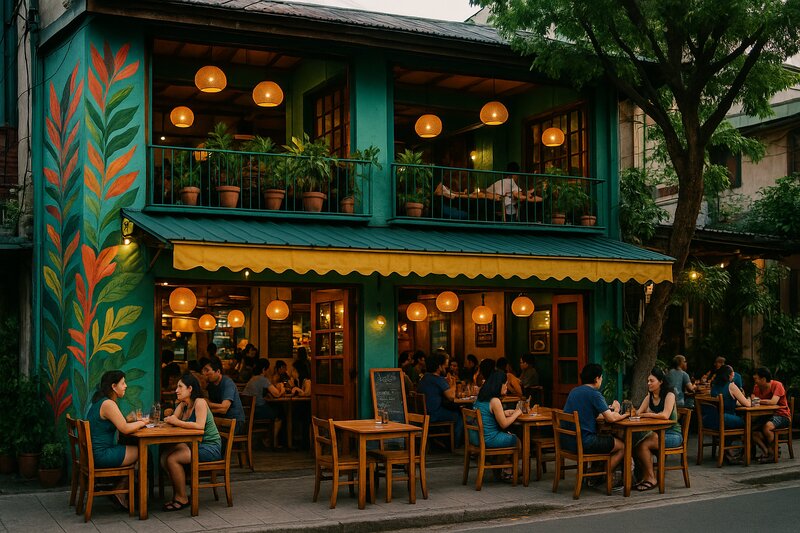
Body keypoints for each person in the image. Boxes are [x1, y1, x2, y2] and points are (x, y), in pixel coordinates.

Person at [86, 370, 148, 510]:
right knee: (143, 452)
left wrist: (133, 420)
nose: (125, 386)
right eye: (123, 383)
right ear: (114, 386)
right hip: (101, 455)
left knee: (134, 448)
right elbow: (125, 428)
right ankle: (125, 492)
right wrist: (144, 422)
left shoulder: (101, 402)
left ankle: (120, 489)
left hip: (94, 453)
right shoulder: (108, 404)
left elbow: (121, 422)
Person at [161, 373, 222, 512]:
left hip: (209, 447)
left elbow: (199, 426)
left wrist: (176, 421)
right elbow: (173, 420)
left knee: (172, 459)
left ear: (190, 389)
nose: (176, 390)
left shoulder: (200, 402)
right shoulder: (183, 405)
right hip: (193, 445)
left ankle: (182, 498)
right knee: (165, 456)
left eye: (180, 387)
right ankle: (179, 494)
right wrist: (169, 419)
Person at [562, 364, 628, 483]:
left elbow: (591, 413)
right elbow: (611, 419)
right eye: (601, 377)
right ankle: (602, 475)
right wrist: (618, 410)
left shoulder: (574, 391)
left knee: (603, 438)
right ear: (597, 378)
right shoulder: (594, 394)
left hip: (568, 442)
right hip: (585, 442)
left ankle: (595, 475)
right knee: (623, 446)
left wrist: (608, 412)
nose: (601, 380)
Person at [632, 367, 682, 491]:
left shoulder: (669, 395)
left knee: (642, 445)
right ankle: (645, 476)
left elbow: (665, 415)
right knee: (636, 443)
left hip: (673, 435)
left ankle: (651, 478)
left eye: (651, 381)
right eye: (648, 381)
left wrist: (647, 414)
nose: (648, 383)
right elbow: (638, 413)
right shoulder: (649, 396)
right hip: (657, 434)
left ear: (660, 381)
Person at [469, 369, 522, 480]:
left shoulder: (480, 398)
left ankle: (502, 465)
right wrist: (517, 413)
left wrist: (504, 413)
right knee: (516, 441)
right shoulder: (495, 400)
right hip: (488, 438)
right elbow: (504, 424)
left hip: (475, 437)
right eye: (505, 385)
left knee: (505, 436)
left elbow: (487, 414)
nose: (507, 387)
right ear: (499, 385)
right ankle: (505, 467)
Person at [702, 365, 751, 463]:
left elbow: (726, 400)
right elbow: (747, 404)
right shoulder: (731, 386)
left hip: (710, 420)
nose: (734, 376)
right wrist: (750, 399)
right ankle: (737, 453)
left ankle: (728, 452)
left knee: (733, 422)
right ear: (729, 375)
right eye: (733, 374)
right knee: (747, 422)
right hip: (724, 419)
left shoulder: (714, 386)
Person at [417, 351, 463, 445]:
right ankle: (455, 444)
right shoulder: (437, 379)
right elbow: (451, 397)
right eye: (445, 365)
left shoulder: (425, 377)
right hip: (434, 414)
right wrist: (453, 383)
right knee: (459, 415)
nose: (446, 368)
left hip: (425, 414)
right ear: (439, 366)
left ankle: (443, 440)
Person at [751, 367, 791, 462]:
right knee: (751, 430)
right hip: (765, 415)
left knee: (767, 427)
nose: (754, 381)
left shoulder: (777, 385)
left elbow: (773, 401)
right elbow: (753, 397)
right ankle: (767, 452)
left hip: (782, 415)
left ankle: (773, 452)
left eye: (756, 379)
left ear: (763, 379)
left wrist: (758, 400)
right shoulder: (756, 387)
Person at [243, 359, 284, 448]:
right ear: (264, 369)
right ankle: (272, 442)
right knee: (279, 414)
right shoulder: (263, 379)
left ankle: (267, 439)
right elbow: (276, 394)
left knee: (276, 410)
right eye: (268, 369)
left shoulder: (252, 378)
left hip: (250, 411)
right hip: (258, 410)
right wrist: (282, 389)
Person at [201, 356, 246, 435]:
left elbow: (224, 408)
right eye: (204, 371)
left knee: (205, 431)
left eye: (207, 370)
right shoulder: (210, 385)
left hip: (234, 422)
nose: (205, 373)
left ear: (218, 371)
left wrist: (208, 405)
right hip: (221, 420)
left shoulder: (227, 383)